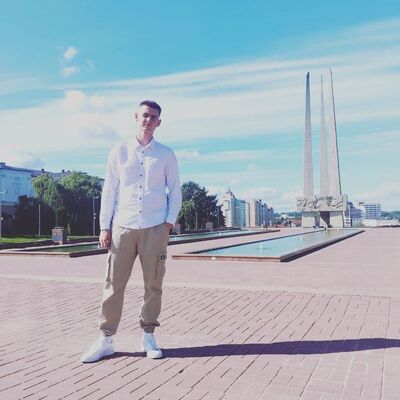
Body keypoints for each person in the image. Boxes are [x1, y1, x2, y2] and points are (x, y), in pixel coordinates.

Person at [81, 100, 182, 362]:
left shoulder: (166, 154)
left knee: (154, 284)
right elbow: (109, 191)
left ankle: (148, 335)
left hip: (154, 227)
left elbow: (175, 191)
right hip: (122, 226)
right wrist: (104, 226)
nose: (148, 120)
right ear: (136, 117)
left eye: (154, 117)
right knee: (113, 284)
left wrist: (168, 224)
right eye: (145, 115)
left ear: (159, 122)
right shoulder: (119, 151)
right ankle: (106, 338)